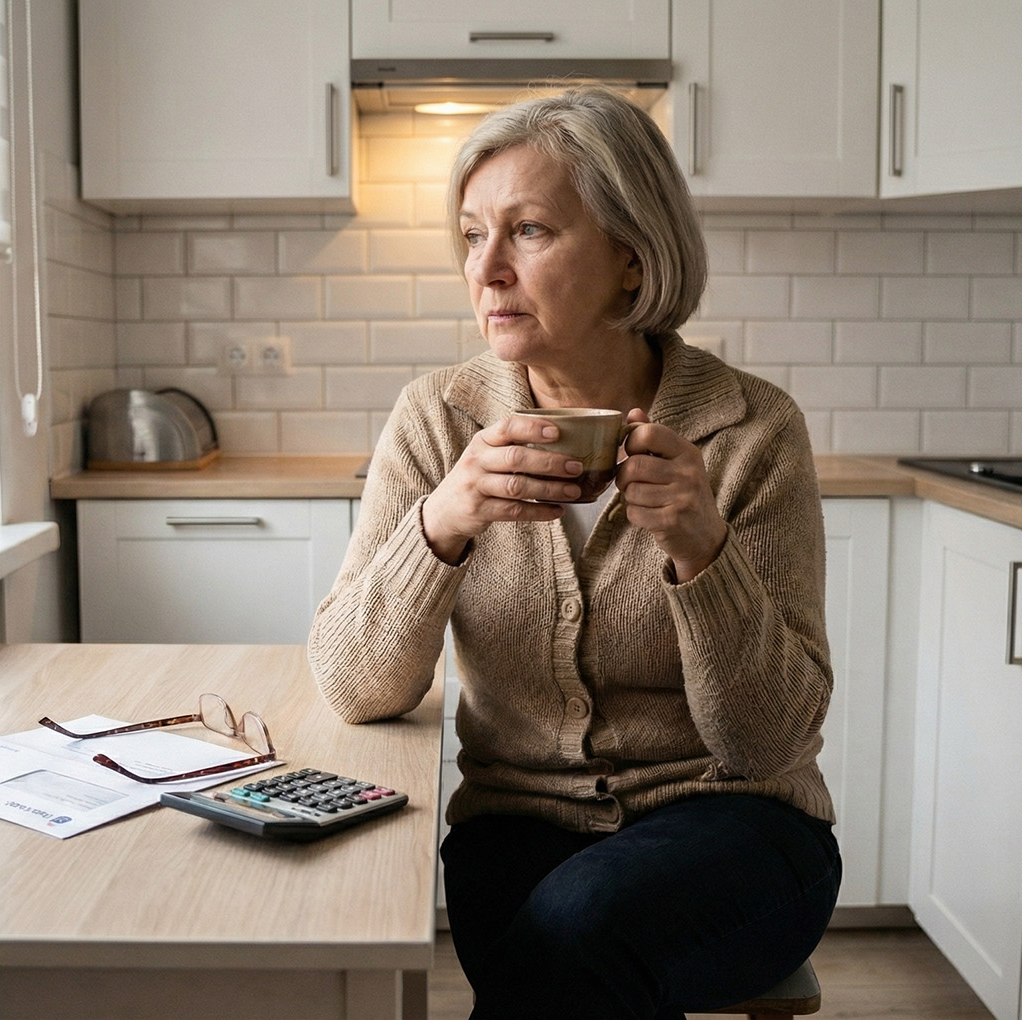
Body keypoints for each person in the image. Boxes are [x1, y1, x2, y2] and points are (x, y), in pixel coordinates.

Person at [307, 85, 839, 1020]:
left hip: (734, 826)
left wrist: (702, 553)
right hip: (517, 825)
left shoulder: (753, 431)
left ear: (633, 260)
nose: (489, 270)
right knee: (567, 951)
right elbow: (357, 685)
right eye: (473, 236)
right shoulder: (439, 420)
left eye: (530, 231)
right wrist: (443, 523)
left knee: (571, 940)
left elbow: (767, 741)